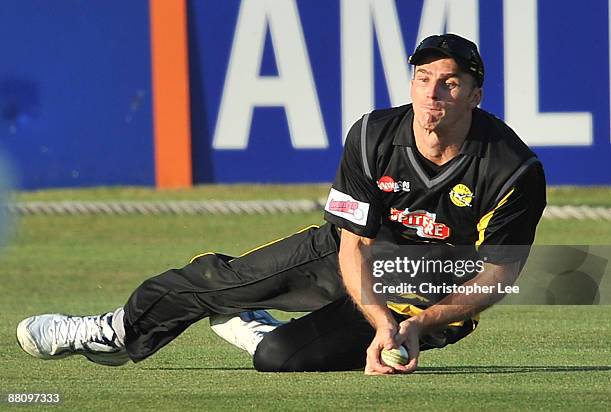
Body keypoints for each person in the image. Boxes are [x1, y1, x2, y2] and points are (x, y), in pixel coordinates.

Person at [16, 33, 546, 375]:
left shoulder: (512, 169)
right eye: (423, 79)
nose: (432, 95)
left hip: (429, 287)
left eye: (450, 84)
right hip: (352, 253)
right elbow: (353, 241)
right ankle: (115, 331)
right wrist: (377, 317)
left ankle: (263, 331)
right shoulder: (372, 135)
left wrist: (413, 325)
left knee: (277, 358)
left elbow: (497, 274)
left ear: (475, 95)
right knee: (216, 279)